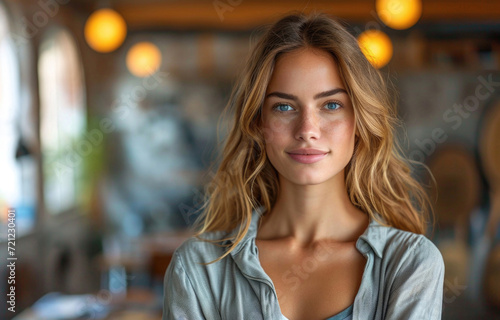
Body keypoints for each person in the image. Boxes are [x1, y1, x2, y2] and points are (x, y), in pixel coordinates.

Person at [162, 12, 445, 320]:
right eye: (284, 107)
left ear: (359, 122)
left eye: (331, 105)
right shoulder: (198, 269)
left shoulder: (411, 264)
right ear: (258, 123)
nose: (307, 129)